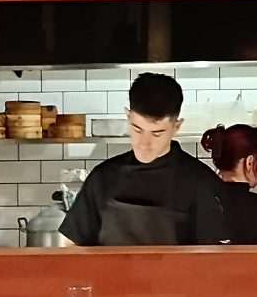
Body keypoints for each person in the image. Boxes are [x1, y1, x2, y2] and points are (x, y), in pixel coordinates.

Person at [60, 73, 228, 246]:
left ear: (176, 126)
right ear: (128, 117)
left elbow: (216, 258)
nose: (144, 144)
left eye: (157, 133)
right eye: (137, 129)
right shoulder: (103, 178)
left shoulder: (201, 183)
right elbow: (72, 246)